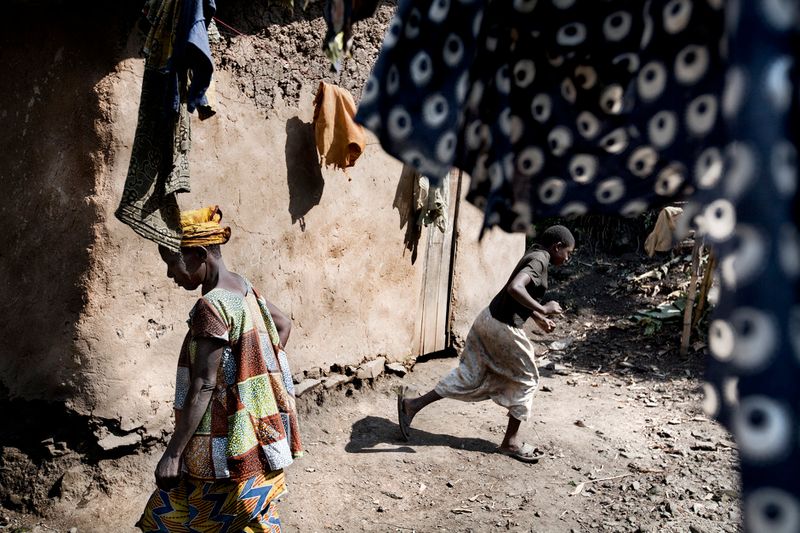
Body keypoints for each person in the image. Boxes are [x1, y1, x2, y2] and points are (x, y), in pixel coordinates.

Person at [137, 206, 302, 532]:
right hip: (255, 432)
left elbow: (204, 384)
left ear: (199, 255)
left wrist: (173, 453)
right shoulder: (243, 288)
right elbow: (282, 324)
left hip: (220, 441)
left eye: (172, 263)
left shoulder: (210, 305)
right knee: (247, 515)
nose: (170, 274)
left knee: (177, 516)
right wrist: (252, 374)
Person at [397, 225, 575, 463]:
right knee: (528, 379)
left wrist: (536, 316)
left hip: (488, 319)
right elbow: (515, 288)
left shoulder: (535, 253)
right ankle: (510, 443)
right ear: (557, 247)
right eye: (568, 253)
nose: (568, 258)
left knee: (471, 375)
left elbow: (515, 294)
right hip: (503, 327)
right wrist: (543, 308)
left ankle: (412, 405)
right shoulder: (540, 260)